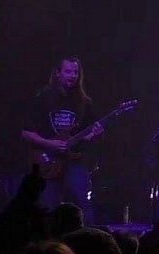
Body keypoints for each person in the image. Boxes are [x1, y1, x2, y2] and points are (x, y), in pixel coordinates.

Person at [21, 57, 103, 219]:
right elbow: (26, 133)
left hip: (73, 159)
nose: (72, 75)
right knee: (47, 206)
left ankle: (87, 232)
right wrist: (50, 144)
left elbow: (88, 134)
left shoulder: (84, 102)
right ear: (58, 73)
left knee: (82, 199)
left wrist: (95, 133)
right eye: (68, 71)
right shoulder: (43, 98)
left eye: (76, 72)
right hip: (47, 160)